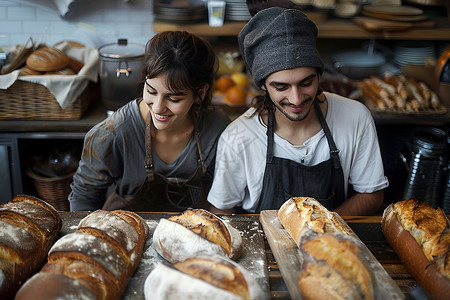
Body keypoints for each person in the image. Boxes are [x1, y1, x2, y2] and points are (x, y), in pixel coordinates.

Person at [207, 7, 388, 215]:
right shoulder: (238, 138)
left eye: (306, 83)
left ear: (319, 76)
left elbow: (371, 194)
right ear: (263, 85)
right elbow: (221, 211)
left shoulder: (355, 117)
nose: (296, 99)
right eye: (281, 87)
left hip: (332, 242)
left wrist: (324, 229)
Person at [69, 31, 230, 212]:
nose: (158, 107)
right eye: (151, 91)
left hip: (193, 232)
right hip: (126, 233)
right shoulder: (112, 133)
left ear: (200, 92)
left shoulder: (217, 128)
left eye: (174, 99)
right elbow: (83, 198)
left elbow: (223, 198)